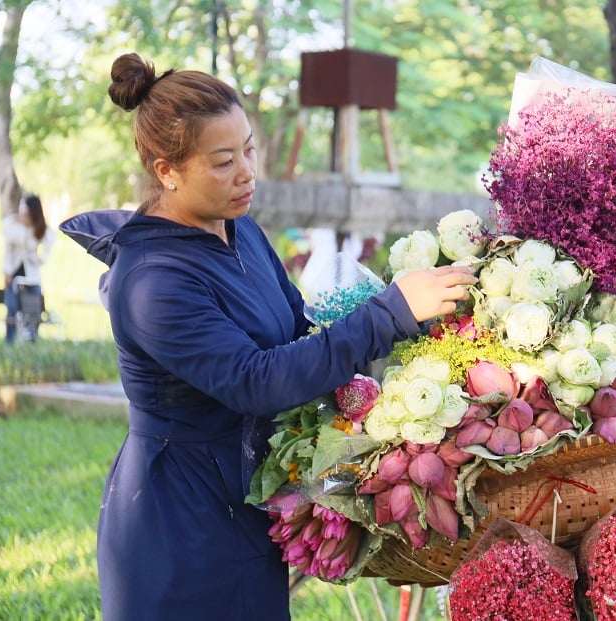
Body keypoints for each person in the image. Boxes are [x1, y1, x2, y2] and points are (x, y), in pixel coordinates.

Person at [59, 52, 476, 621]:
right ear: (167, 171)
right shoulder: (152, 281)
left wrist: (392, 388)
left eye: (249, 150)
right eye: (223, 161)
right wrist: (390, 313)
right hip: (179, 517)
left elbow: (298, 332)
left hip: (250, 495)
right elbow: (255, 380)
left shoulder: (241, 231)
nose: (247, 172)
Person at [1, 194, 56, 343]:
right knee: (11, 307)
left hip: (32, 275)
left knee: (34, 307)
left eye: (25, 206)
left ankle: (32, 338)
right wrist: (6, 272)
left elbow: (47, 245)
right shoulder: (13, 225)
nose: (22, 210)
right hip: (14, 273)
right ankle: (10, 340)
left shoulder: (40, 230)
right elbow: (8, 249)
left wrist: (37, 257)